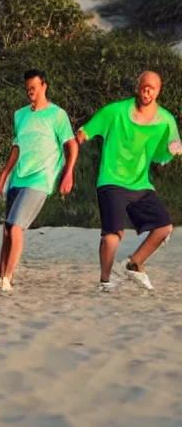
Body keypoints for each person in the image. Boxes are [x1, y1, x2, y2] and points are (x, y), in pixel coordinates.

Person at [77, 71, 181, 291]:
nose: (147, 90)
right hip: (111, 180)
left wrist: (173, 150)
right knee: (113, 235)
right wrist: (72, 150)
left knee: (164, 226)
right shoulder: (116, 112)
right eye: (144, 86)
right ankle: (105, 281)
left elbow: (164, 153)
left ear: (158, 91)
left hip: (140, 183)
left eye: (152, 87)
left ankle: (134, 263)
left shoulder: (165, 120)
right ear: (137, 87)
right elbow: (85, 132)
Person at [0, 69, 78, 291]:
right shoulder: (20, 115)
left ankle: (7, 278)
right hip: (18, 177)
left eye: (34, 87)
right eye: (27, 89)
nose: (30, 92)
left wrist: (68, 172)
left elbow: (71, 145)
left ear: (44, 86)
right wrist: (4, 175)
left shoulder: (57, 115)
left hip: (41, 178)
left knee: (16, 229)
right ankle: (0, 274)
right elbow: (16, 147)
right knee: (6, 230)